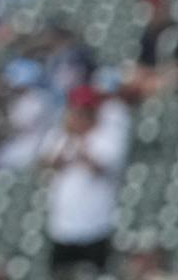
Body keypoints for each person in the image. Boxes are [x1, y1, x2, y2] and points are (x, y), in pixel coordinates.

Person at [40, 90, 125, 277]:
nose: (78, 116)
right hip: (63, 226)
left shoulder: (106, 136)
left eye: (83, 112)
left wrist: (80, 141)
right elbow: (47, 163)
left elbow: (100, 167)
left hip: (96, 226)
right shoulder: (60, 135)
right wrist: (69, 138)